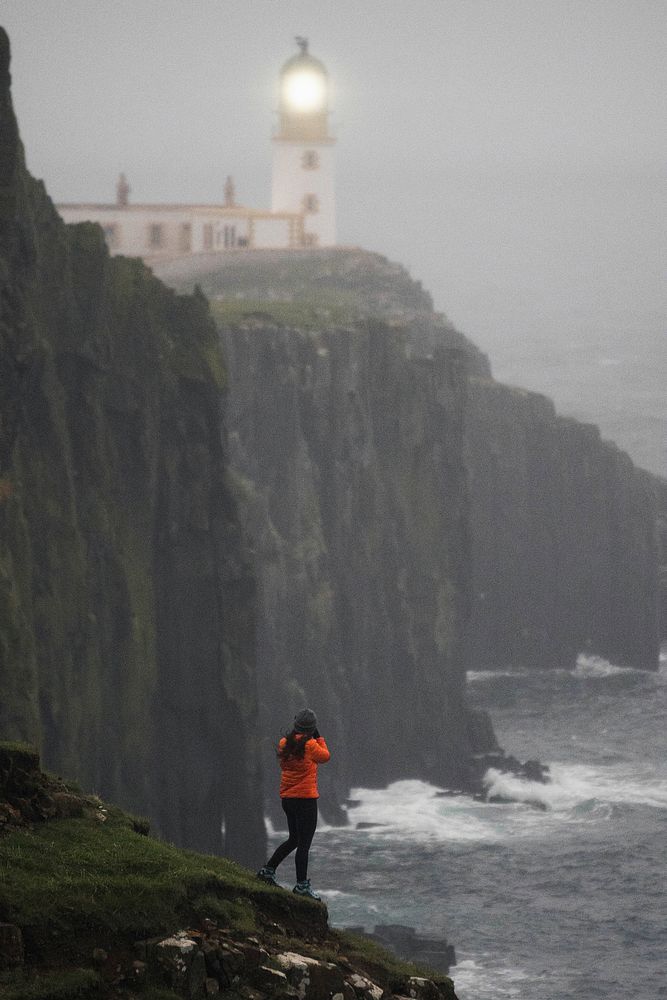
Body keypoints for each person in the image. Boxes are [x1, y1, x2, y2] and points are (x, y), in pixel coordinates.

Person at [257, 708, 330, 900]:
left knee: (294, 839)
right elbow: (325, 756)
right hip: (306, 800)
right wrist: (319, 737)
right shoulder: (312, 745)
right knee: (303, 844)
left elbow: (286, 764)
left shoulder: (284, 743)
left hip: (288, 799)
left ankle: (268, 871)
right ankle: (301, 886)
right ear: (312, 728)